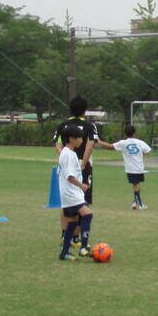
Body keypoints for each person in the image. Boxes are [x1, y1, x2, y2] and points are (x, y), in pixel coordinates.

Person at [53, 96, 99, 243]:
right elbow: (90, 145)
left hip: (67, 165)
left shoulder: (63, 125)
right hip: (82, 166)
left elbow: (58, 145)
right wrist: (82, 164)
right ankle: (75, 237)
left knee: (67, 201)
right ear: (85, 110)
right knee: (82, 201)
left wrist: (65, 158)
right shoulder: (90, 126)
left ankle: (65, 233)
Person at [57, 125, 94, 261]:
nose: (81, 141)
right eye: (80, 138)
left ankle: (65, 252)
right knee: (87, 215)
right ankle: (84, 247)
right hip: (71, 193)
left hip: (69, 193)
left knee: (72, 222)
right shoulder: (68, 154)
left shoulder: (68, 153)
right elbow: (69, 176)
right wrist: (82, 186)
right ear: (72, 139)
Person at [97, 124, 152, 210]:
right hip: (138, 167)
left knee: (135, 185)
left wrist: (99, 142)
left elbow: (110, 146)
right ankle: (140, 204)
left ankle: (135, 202)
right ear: (135, 133)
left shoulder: (123, 143)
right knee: (137, 185)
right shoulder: (139, 142)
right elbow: (148, 151)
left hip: (129, 168)